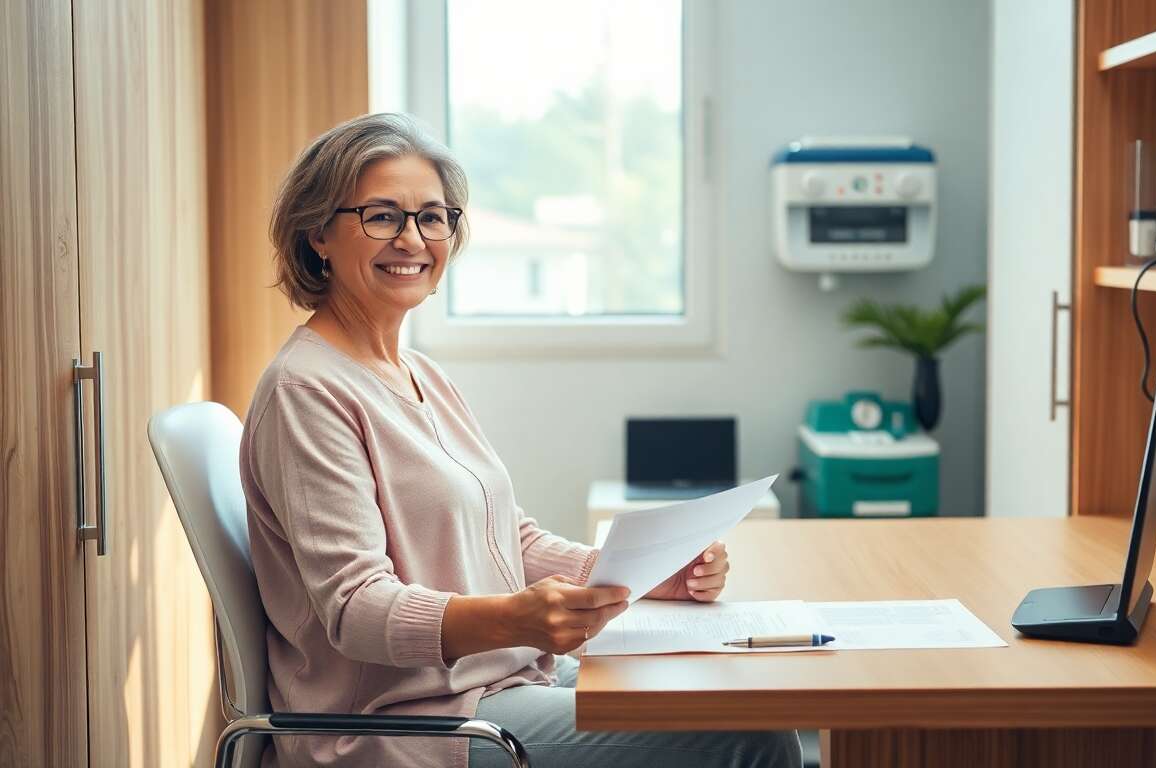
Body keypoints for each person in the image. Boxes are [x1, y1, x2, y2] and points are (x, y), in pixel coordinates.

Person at [240, 112, 802, 768]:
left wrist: (642, 576)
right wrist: (515, 620)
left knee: (749, 704)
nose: (413, 239)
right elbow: (356, 608)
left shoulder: (418, 373)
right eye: (383, 216)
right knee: (752, 740)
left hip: (497, 684)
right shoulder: (306, 390)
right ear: (318, 235)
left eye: (432, 216)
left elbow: (510, 537)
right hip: (408, 724)